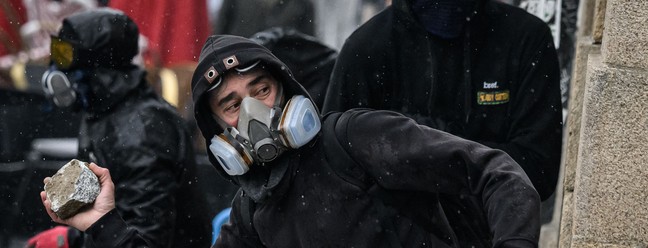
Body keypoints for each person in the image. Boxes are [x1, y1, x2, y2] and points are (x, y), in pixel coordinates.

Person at [40, 35, 541, 247]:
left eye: (262, 89)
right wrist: (102, 222)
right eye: (233, 105)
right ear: (219, 131)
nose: (255, 111)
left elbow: (494, 172)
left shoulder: (355, 138)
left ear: (286, 88)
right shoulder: (250, 214)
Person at [322, 0, 563, 203]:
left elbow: (538, 169)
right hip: (391, 236)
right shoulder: (367, 48)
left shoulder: (525, 39)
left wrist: (415, 151)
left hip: (490, 235)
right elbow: (332, 173)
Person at [29, 8, 213, 248]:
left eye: (65, 54)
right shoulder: (105, 110)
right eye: (57, 51)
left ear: (98, 64)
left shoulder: (143, 130)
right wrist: (73, 239)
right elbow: (113, 217)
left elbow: (146, 240)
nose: (56, 66)